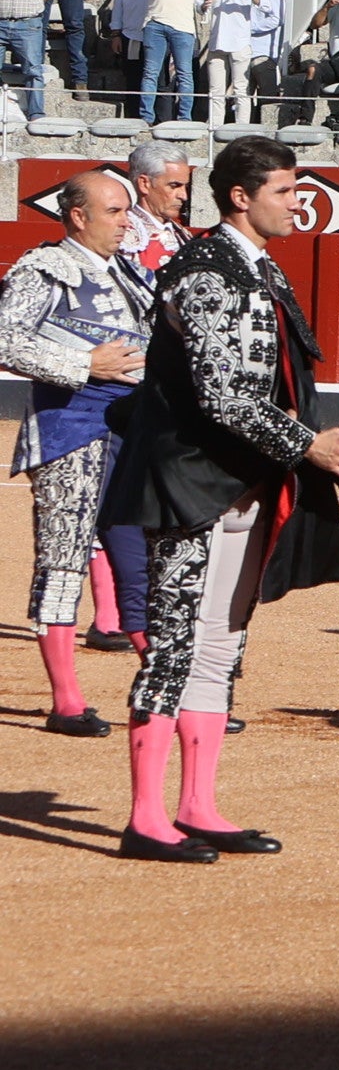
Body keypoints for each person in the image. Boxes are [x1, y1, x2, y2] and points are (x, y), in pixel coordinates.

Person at [102, 136, 339, 860]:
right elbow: (224, 395)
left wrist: (313, 438)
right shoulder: (206, 271)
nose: (299, 203)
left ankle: (196, 803)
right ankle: (144, 818)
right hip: (189, 482)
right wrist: (307, 444)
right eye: (287, 191)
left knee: (220, 643)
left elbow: (265, 387)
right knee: (171, 646)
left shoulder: (255, 266)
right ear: (241, 196)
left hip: (242, 479)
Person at [5, 167, 151, 739]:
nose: (125, 222)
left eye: (126, 210)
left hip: (131, 427)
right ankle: (66, 701)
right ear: (77, 216)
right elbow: (4, 337)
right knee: (64, 560)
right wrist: (81, 365)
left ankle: (168, 689)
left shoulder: (132, 275)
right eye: (114, 211)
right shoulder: (44, 268)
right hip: (70, 426)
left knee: (140, 557)